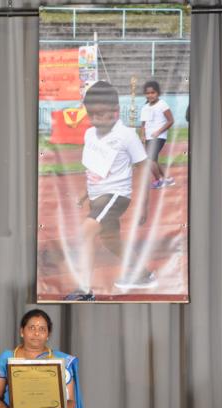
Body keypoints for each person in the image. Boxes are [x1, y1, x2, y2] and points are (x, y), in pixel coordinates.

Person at [65, 80, 153, 301]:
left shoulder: (126, 135)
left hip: (116, 196)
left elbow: (144, 168)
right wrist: (86, 193)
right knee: (111, 242)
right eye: (91, 114)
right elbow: (97, 168)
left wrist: (144, 204)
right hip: (98, 197)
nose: (95, 119)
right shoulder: (89, 134)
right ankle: (143, 274)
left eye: (101, 114)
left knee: (86, 231)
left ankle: (85, 291)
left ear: (115, 111)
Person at [139, 80, 174, 190]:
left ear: (158, 93)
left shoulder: (162, 104)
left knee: (149, 159)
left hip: (159, 137)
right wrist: (142, 136)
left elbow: (171, 121)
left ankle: (159, 181)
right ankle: (168, 179)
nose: (150, 95)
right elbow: (143, 124)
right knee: (153, 160)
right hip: (149, 137)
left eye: (153, 92)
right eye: (148, 93)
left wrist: (158, 132)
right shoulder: (145, 107)